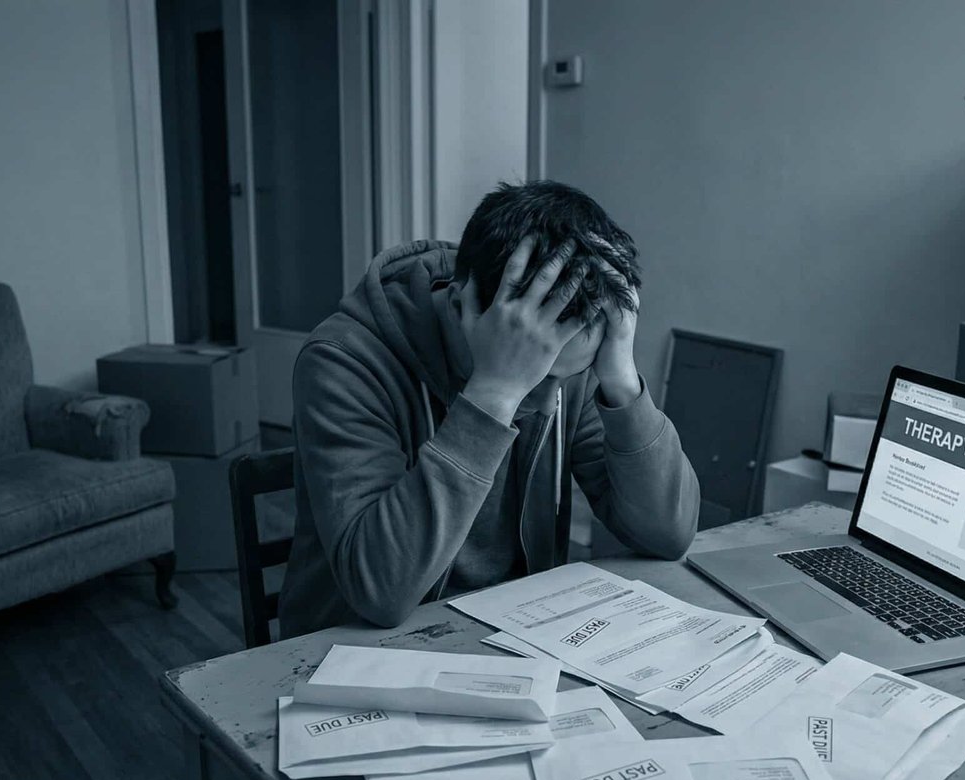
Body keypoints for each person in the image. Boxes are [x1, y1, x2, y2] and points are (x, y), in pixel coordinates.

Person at [279, 180, 700, 636]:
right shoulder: (344, 359)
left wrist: (621, 381)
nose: (547, 399)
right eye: (535, 376)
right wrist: (496, 391)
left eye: (566, 377)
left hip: (516, 634)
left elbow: (668, 535)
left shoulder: (568, 365)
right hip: (355, 654)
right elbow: (380, 592)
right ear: (461, 305)